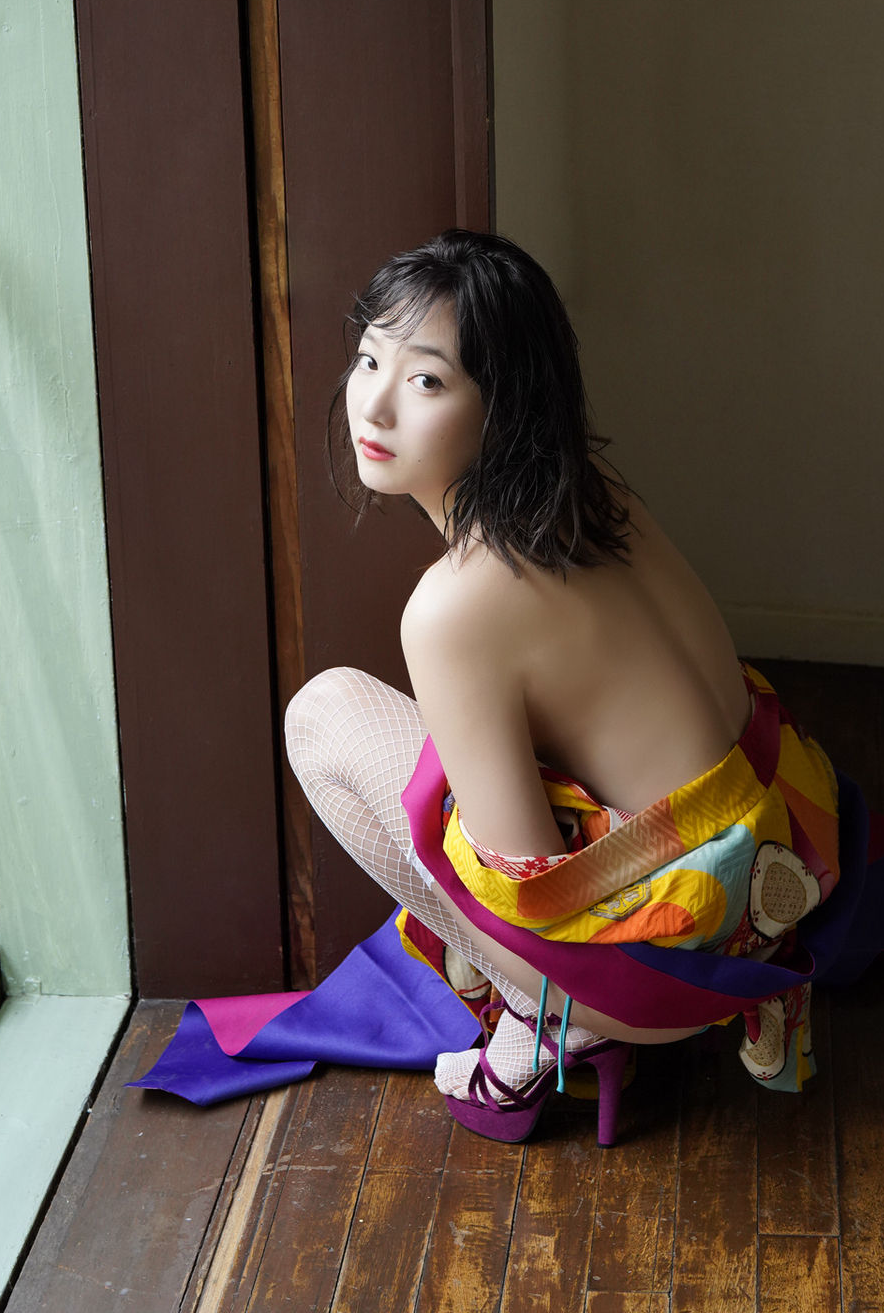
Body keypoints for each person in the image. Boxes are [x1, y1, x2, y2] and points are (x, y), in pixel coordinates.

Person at [284, 227, 845, 1145]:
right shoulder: (592, 491)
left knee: (322, 716)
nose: (372, 405)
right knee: (468, 750)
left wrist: (520, 977)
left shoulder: (454, 608)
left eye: (425, 381)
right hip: (781, 874)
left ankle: (548, 1022)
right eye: (368, 359)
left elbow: (526, 894)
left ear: (503, 406)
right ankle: (568, 1009)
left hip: (673, 966)